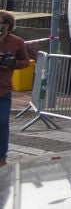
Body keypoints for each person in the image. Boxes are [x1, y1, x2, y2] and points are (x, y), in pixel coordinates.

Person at [0, 11, 32, 167]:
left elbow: (25, 62)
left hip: (3, 90)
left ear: (8, 26)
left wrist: (12, 62)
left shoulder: (17, 42)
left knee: (2, 124)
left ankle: (1, 157)